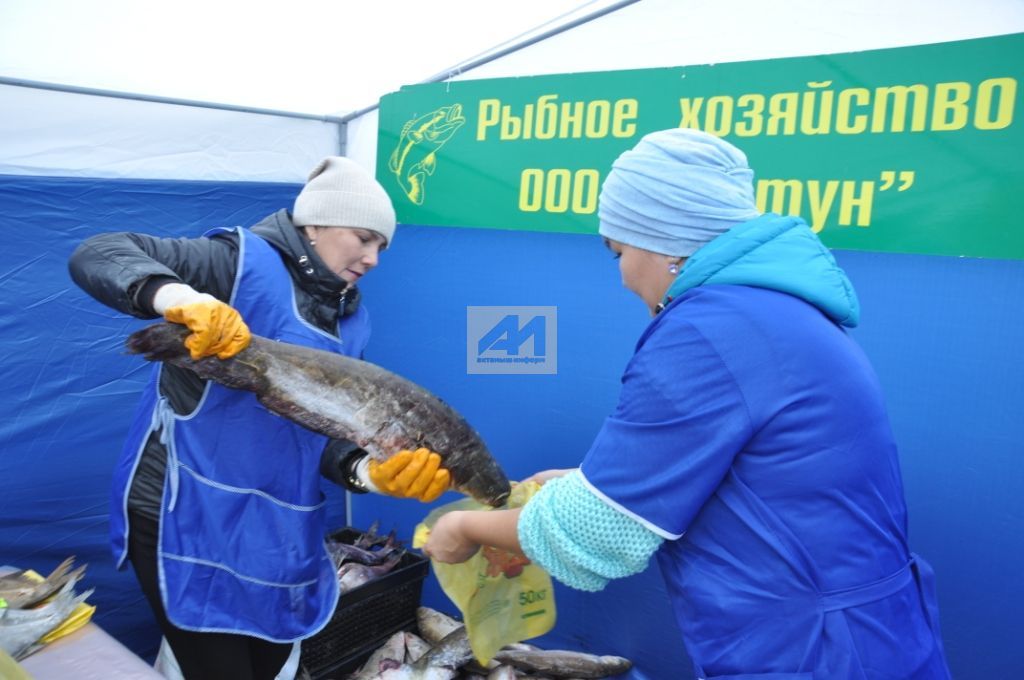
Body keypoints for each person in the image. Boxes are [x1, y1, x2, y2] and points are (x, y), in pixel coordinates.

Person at [423, 129, 951, 679]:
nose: (623, 277)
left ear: (665, 240)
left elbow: (598, 533)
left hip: (812, 651)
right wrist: (585, 481)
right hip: (862, 634)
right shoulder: (773, 312)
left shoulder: (708, 332)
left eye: (619, 251)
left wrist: (463, 529)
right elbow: (740, 472)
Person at [68, 156, 452, 680]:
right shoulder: (237, 263)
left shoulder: (351, 323)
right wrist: (177, 295)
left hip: (277, 526)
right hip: (185, 512)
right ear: (314, 222)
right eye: (363, 237)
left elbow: (323, 434)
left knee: (273, 663)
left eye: (381, 246)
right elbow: (98, 253)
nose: (373, 258)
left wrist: (366, 471)